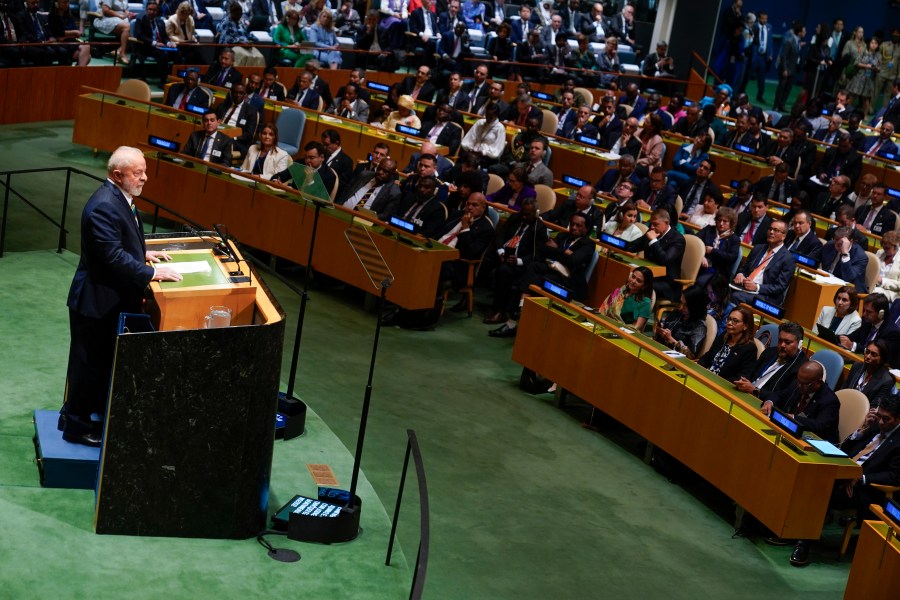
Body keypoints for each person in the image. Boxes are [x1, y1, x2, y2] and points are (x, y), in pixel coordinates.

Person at [60, 147, 183, 447]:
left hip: (110, 299)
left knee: (99, 364)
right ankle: (75, 427)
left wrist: (144, 253)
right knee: (88, 365)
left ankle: (78, 415)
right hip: (96, 302)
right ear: (118, 175)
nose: (145, 177)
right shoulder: (104, 205)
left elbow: (120, 241)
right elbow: (111, 256)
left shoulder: (122, 199)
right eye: (137, 172)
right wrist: (150, 273)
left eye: (143, 170)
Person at [789, 395, 900, 566]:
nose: (881, 422)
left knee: (821, 492)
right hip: (843, 474)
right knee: (808, 477)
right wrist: (861, 431)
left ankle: (803, 543)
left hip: (865, 490)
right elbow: (845, 449)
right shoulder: (874, 425)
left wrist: (861, 477)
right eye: (879, 415)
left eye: (886, 418)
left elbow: (894, 476)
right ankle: (793, 529)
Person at [483, 197, 548, 327]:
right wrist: (501, 251)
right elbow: (500, 236)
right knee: (484, 259)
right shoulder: (515, 218)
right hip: (502, 254)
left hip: (519, 263)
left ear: (536, 213)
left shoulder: (539, 229)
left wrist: (518, 261)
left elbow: (537, 254)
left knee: (503, 271)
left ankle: (500, 310)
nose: (524, 217)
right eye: (522, 213)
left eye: (527, 215)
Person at [760, 360, 840, 443]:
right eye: (798, 381)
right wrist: (769, 402)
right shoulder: (799, 383)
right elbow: (779, 395)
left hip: (818, 444)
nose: (799, 386)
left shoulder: (830, 400)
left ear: (818, 383)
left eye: (805, 384)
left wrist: (793, 418)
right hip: (792, 435)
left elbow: (819, 425)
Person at [734, 321, 808, 403]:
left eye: (788, 342)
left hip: (764, 404)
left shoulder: (802, 369)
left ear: (799, 344)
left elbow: (784, 398)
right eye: (780, 340)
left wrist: (754, 390)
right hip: (744, 394)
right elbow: (750, 372)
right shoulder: (770, 352)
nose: (782, 345)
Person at [730, 219, 794, 307]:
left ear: (783, 236)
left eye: (775, 230)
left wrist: (757, 287)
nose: (771, 232)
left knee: (736, 296)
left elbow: (779, 287)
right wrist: (740, 274)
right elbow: (744, 268)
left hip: (765, 296)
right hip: (744, 286)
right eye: (770, 229)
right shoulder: (758, 248)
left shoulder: (788, 259)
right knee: (721, 288)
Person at [635, 208, 685, 302]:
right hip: (649, 276)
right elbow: (634, 246)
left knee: (638, 283)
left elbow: (665, 260)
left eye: (655, 224)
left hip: (667, 284)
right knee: (632, 278)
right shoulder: (652, 231)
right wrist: (613, 242)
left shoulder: (678, 239)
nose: (652, 227)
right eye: (651, 223)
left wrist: (653, 241)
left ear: (666, 223)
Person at [698, 307, 757, 380]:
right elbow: (707, 357)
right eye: (729, 319)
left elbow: (741, 377)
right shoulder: (724, 336)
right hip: (705, 377)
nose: (729, 323)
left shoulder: (749, 348)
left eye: (735, 321)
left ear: (745, 326)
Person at [654, 284, 708, 360]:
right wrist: (660, 330)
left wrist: (672, 341)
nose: (681, 307)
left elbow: (691, 355)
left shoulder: (699, 327)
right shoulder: (678, 313)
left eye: (685, 305)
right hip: (661, 351)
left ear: (695, 306)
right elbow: (665, 326)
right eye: (681, 302)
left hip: (676, 361)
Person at [598, 266, 654, 331]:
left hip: (624, 332)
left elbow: (636, 328)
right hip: (606, 324)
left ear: (644, 286)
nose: (633, 281)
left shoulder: (645, 302)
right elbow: (603, 310)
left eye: (638, 281)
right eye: (633, 277)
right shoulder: (619, 292)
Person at [841, 339, 895, 407]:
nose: (868, 356)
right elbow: (844, 388)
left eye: (874, 354)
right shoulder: (857, 366)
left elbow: (874, 406)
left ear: (882, 359)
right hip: (844, 404)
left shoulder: (886, 381)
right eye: (867, 351)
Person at [695, 206, 740, 283]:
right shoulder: (709, 229)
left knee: (700, 281)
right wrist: (701, 256)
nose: (721, 223)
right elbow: (695, 241)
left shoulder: (734, 239)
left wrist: (713, 251)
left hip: (718, 272)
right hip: (699, 264)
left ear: (731, 223)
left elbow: (732, 257)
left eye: (725, 221)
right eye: (719, 220)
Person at [215, 83, 260, 159]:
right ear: (231, 93)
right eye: (235, 92)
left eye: (241, 93)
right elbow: (213, 122)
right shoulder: (222, 106)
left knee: (222, 143)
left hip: (236, 141)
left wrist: (231, 134)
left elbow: (249, 135)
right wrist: (216, 124)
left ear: (244, 95)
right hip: (218, 134)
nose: (238, 95)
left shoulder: (251, 111)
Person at [820, 225, 869, 293]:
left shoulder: (861, 257)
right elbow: (816, 260)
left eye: (841, 243)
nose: (837, 244)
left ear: (850, 241)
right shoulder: (830, 245)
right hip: (827, 283)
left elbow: (848, 278)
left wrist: (845, 254)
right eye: (836, 240)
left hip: (850, 291)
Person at [48, 0, 91, 66]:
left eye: (68, 2)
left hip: (71, 42)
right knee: (87, 53)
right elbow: (58, 35)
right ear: (57, 4)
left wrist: (66, 35)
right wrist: (73, 33)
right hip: (62, 44)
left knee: (87, 55)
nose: (67, 4)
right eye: (64, 2)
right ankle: (79, 74)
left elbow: (77, 34)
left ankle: (76, 74)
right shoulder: (52, 16)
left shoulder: (69, 15)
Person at [874, 231, 900, 300]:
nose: (885, 250)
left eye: (888, 248)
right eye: (883, 247)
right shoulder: (880, 252)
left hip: (891, 293)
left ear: (896, 246)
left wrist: (882, 281)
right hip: (873, 286)